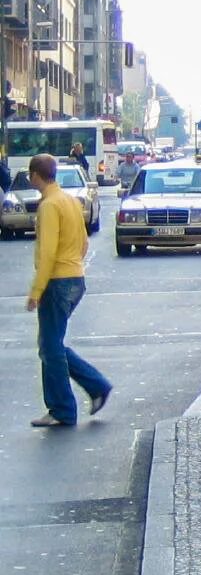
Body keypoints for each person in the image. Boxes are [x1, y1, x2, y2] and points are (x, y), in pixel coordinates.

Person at [25, 155, 112, 428]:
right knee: (52, 344)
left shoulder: (49, 205)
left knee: (50, 347)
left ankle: (62, 409)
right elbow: (84, 241)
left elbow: (48, 251)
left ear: (34, 175)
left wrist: (37, 290)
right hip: (75, 277)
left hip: (57, 281)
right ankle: (96, 386)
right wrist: (75, 264)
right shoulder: (69, 200)